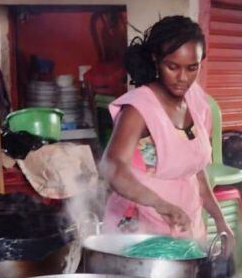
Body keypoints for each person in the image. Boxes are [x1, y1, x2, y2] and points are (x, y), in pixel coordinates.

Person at [99, 16, 231, 248]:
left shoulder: (197, 101)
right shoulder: (139, 108)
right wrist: (160, 204)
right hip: (140, 233)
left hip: (187, 228)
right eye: (173, 67)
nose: (183, 78)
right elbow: (112, 167)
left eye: (192, 68)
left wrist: (221, 221)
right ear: (156, 60)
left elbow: (198, 172)